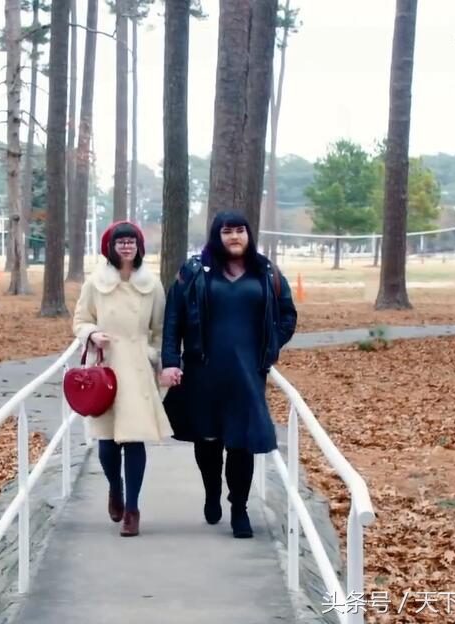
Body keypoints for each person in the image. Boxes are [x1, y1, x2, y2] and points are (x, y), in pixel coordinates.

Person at [160, 212, 297, 538]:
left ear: (248, 234)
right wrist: (170, 361)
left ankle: (239, 508)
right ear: (216, 235)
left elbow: (287, 315)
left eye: (240, 230)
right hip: (203, 371)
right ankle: (212, 493)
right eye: (227, 231)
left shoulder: (266, 272)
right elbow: (173, 318)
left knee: (241, 443)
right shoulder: (194, 271)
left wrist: (270, 346)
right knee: (208, 440)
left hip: (247, 375)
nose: (234, 236)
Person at [72, 221, 172, 537]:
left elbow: (160, 328)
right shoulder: (95, 283)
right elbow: (80, 320)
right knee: (106, 442)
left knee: (134, 438)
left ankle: (132, 508)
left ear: (139, 246)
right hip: (106, 367)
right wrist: (92, 334)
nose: (126, 247)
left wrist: (154, 355)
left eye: (131, 242)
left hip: (138, 367)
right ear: (111, 247)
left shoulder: (151, 284)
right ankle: (115, 488)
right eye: (121, 242)